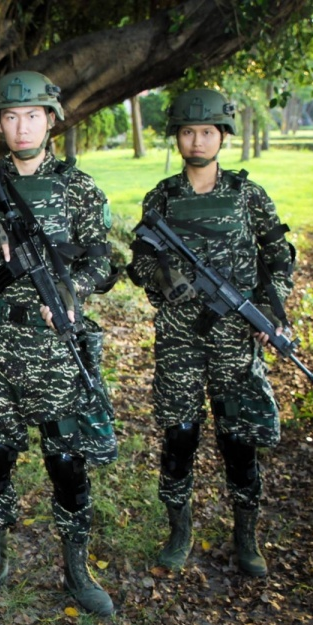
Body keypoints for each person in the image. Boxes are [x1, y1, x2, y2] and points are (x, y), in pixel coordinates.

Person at [0, 71, 117, 615]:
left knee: (66, 459)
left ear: (51, 120)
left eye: (32, 116)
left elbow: (105, 263)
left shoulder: (77, 187)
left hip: (56, 346)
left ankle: (77, 570)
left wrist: (69, 286)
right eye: (10, 117)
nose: (20, 126)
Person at [127, 88, 294, 577]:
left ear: (222, 136)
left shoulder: (248, 196)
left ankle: (247, 536)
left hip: (235, 341)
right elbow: (139, 260)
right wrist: (164, 278)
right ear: (177, 137)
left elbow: (278, 257)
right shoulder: (162, 196)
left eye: (206, 131)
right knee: (179, 434)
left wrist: (272, 310)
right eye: (187, 131)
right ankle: (179, 531)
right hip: (179, 340)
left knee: (237, 437)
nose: (196, 140)